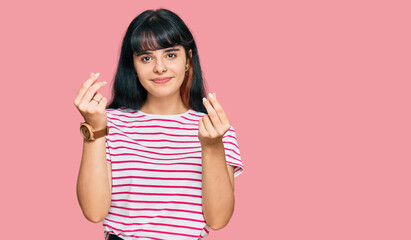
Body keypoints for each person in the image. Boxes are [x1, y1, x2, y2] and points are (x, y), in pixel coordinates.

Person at [74, 8, 244, 240]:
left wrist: (212, 146)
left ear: (188, 58)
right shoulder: (109, 123)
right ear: (132, 65)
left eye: (171, 55)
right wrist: (94, 129)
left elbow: (218, 219)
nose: (160, 68)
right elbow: (94, 212)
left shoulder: (215, 129)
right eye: (146, 58)